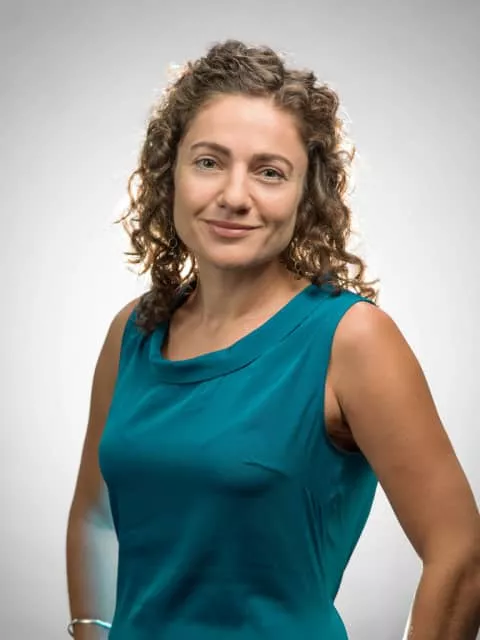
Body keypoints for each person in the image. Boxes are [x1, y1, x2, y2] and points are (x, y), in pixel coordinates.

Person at [66, 39, 480, 639]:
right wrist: (91, 630)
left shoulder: (351, 340)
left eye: (269, 172)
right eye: (209, 162)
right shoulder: (134, 331)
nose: (235, 196)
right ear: (169, 173)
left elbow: (460, 551)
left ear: (307, 195)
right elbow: (96, 516)